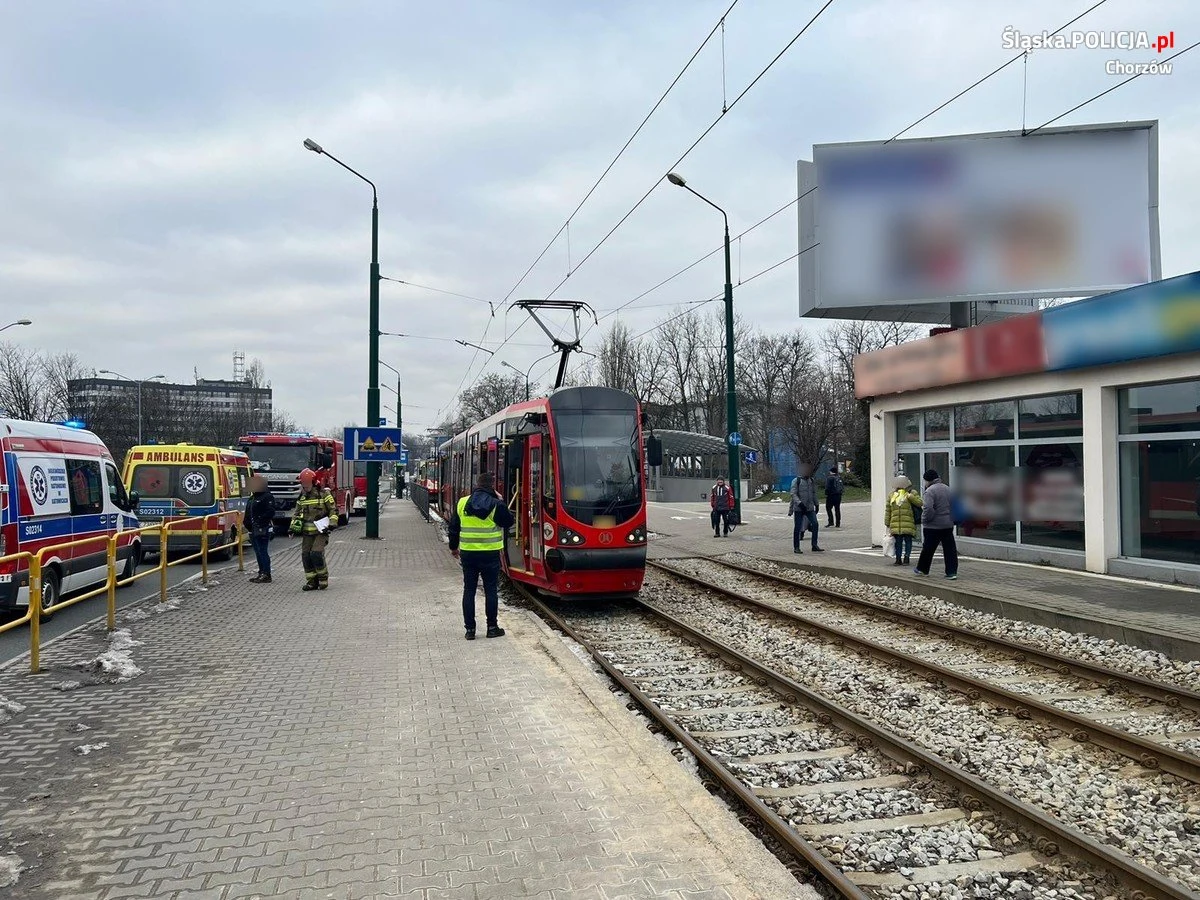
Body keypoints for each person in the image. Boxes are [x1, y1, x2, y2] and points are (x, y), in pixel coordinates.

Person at [448, 471, 516, 640]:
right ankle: (492, 628)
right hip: (490, 554)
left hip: (468, 554)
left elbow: (454, 528)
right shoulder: (495, 504)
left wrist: (453, 548)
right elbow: (508, 522)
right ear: (492, 487)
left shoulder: (462, 502)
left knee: (469, 590)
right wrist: (501, 502)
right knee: (491, 590)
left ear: (477, 485)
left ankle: (470, 630)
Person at [289, 468, 338, 591]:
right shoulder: (302, 497)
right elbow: (297, 513)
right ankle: (311, 581)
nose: (304, 485)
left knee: (316, 553)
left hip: (321, 531)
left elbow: (333, 510)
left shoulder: (324, 494)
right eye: (302, 483)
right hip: (307, 533)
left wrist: (332, 524)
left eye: (306, 482)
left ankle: (323, 579)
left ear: (313, 481)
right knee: (306, 556)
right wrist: (292, 529)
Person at [914, 468, 958, 579]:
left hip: (933, 526)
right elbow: (953, 505)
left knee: (928, 549)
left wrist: (924, 520)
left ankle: (923, 569)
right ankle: (951, 572)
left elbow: (928, 508)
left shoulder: (930, 491)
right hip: (948, 524)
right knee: (950, 550)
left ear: (928, 480)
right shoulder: (948, 489)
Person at [883, 475, 922, 568]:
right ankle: (898, 558)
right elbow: (888, 509)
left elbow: (920, 502)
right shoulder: (892, 495)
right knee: (898, 541)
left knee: (908, 540)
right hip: (896, 523)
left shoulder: (911, 493)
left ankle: (907, 557)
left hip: (908, 521)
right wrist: (887, 523)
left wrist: (910, 496)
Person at [247, 474, 276, 583]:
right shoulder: (253, 497)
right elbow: (249, 512)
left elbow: (270, 512)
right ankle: (261, 572)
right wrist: (248, 524)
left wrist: (259, 522)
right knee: (258, 552)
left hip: (262, 528)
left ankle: (266, 574)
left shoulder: (266, 497)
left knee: (262, 551)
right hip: (253, 529)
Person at [789, 464, 824, 554]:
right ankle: (796, 547)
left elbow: (813, 493)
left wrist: (817, 504)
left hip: (809, 508)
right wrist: (799, 503)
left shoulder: (811, 481)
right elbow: (793, 493)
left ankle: (814, 545)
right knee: (798, 527)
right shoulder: (796, 481)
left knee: (815, 524)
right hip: (799, 508)